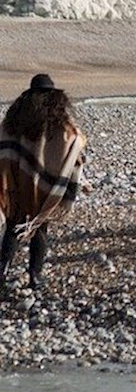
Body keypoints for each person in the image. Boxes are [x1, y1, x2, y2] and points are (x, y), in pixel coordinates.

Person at [0, 74, 87, 294]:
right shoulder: (58, 121)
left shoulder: (15, 118)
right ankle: (35, 276)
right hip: (42, 187)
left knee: (13, 228)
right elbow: (73, 140)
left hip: (17, 182)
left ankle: (2, 273)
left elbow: (4, 145)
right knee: (39, 227)